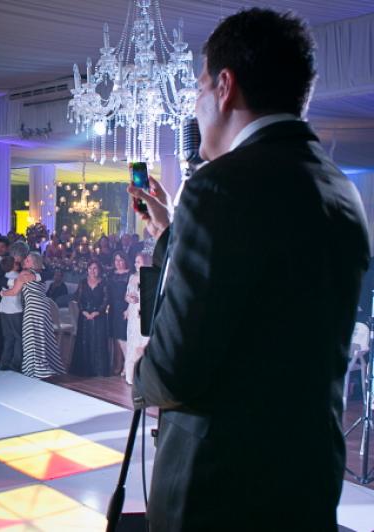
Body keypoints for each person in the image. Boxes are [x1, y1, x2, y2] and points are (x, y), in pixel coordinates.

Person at [128, 9, 370, 531]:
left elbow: (175, 371)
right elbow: (268, 293)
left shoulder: (219, 186)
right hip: (305, 478)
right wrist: (172, 233)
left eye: (198, 88)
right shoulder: (340, 189)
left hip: (220, 490)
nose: (195, 107)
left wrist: (139, 375)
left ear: (225, 86)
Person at [2, 252, 65, 379]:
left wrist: (3, 293)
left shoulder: (25, 274)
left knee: (32, 338)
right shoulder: (39, 273)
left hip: (33, 309)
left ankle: (37, 370)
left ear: (34, 263)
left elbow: (14, 291)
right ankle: (48, 366)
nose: (25, 261)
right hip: (44, 308)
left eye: (28, 260)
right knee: (43, 336)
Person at [69, 260, 111, 377]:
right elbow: (78, 299)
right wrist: (84, 311)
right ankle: (84, 369)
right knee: (84, 341)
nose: (92, 271)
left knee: (98, 342)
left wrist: (98, 312)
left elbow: (106, 300)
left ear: (99, 270)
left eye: (95, 268)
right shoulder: (82, 282)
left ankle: (98, 370)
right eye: (90, 268)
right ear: (87, 270)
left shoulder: (104, 283)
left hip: (99, 317)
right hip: (84, 317)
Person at [123, 252, 150, 385]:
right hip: (133, 312)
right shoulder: (132, 277)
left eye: (138, 262)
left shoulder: (149, 277)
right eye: (135, 261)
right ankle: (131, 375)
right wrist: (129, 299)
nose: (135, 264)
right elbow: (126, 295)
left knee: (143, 342)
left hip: (144, 312)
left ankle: (143, 376)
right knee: (132, 342)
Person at [106, 251, 130, 375]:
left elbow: (133, 292)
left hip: (125, 308)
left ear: (125, 260)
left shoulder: (130, 274)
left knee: (123, 337)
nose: (118, 263)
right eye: (116, 260)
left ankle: (127, 364)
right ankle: (117, 363)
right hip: (113, 308)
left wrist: (129, 309)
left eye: (121, 260)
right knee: (115, 337)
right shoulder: (111, 274)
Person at [0, 255, 23, 372]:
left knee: (8, 337)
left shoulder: (4, 276)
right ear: (12, 265)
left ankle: (4, 362)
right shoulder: (18, 277)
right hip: (14, 310)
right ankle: (16, 363)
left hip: (3, 309)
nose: (18, 263)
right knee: (18, 337)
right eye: (16, 262)